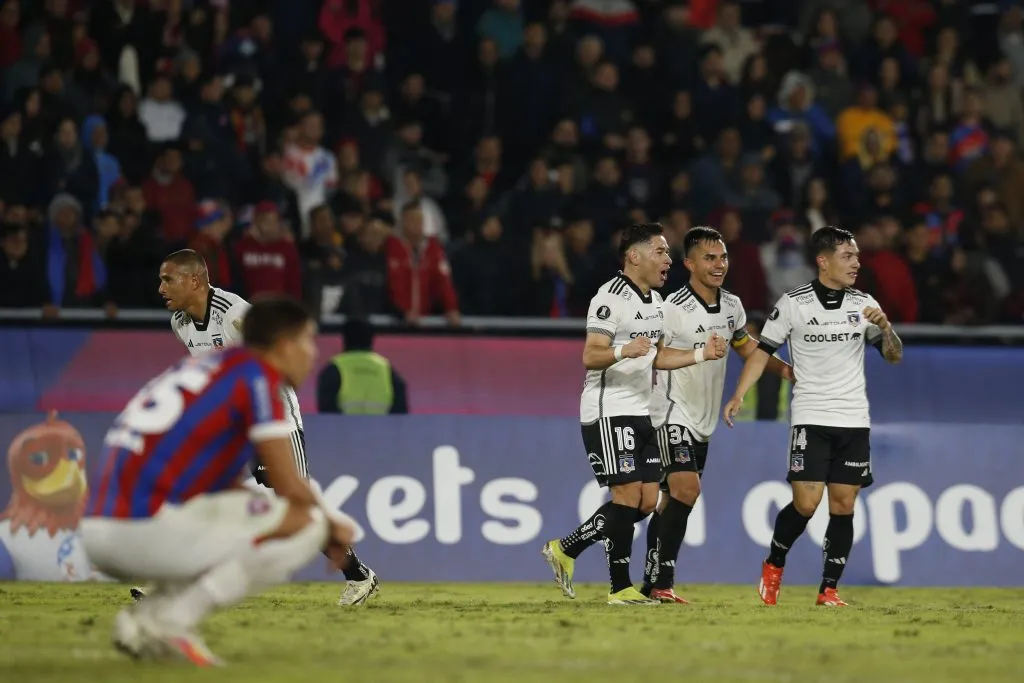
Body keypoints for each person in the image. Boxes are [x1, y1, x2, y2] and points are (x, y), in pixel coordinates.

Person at [81, 297, 356, 665]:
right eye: (309, 342)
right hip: (140, 530)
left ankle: (142, 623)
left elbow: (218, 483)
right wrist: (332, 526)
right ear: (285, 346)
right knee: (307, 524)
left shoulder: (206, 367)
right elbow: (290, 485)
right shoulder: (258, 379)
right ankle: (175, 622)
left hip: (99, 528)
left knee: (240, 516)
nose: (314, 355)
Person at [152, 249, 380, 606]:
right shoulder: (180, 324)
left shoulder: (237, 316)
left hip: (272, 420)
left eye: (168, 279)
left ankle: (358, 575)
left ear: (194, 280)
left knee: (296, 508)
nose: (160, 288)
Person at [541, 223, 728, 605]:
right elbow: (590, 355)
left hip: (643, 411)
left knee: (645, 502)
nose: (668, 259)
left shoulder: (658, 304)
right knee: (627, 496)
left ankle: (565, 548)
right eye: (660, 252)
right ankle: (619, 588)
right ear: (634, 256)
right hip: (609, 409)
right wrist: (622, 351)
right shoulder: (609, 299)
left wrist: (699, 354)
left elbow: (657, 355)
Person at [722, 226, 904, 607]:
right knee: (806, 503)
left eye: (856, 256)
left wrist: (886, 328)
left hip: (854, 418)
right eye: (848, 256)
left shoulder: (864, 303)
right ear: (823, 261)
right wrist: (740, 393)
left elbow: (893, 356)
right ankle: (773, 566)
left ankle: (829, 590)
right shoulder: (793, 303)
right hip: (811, 416)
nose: (856, 262)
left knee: (843, 504)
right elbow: (763, 351)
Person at [640, 226, 794, 603]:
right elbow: (652, 356)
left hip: (703, 420)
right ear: (689, 263)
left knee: (669, 501)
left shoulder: (732, 306)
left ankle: (651, 580)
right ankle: (664, 584)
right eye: (709, 258)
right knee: (687, 490)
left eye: (723, 257)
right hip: (670, 411)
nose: (719, 264)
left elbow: (746, 346)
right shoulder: (670, 308)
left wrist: (786, 370)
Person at [317, 318, 409, 414]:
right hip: (381, 428)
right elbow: (400, 414)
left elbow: (326, 412)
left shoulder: (333, 368)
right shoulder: (386, 369)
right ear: (372, 339)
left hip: (344, 428)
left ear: (344, 338)